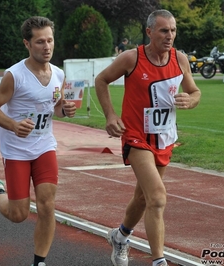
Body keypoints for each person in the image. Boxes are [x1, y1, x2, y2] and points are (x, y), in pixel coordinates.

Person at [95, 9, 201, 266]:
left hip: (164, 138)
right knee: (157, 197)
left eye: (173, 30)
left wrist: (191, 99)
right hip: (135, 136)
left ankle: (120, 236)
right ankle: (159, 261)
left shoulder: (180, 59)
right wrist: (110, 116)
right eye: (164, 30)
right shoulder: (132, 58)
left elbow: (195, 91)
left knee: (143, 197)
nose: (170, 36)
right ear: (150, 32)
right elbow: (102, 80)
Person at [0, 16, 76, 266]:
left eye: (50, 40)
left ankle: (39, 261)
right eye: (40, 42)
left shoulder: (58, 74)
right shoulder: (15, 75)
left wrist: (64, 109)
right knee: (18, 214)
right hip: (16, 149)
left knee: (47, 204)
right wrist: (13, 125)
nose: (47, 47)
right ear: (27, 43)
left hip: (45, 146)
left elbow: (54, 107)